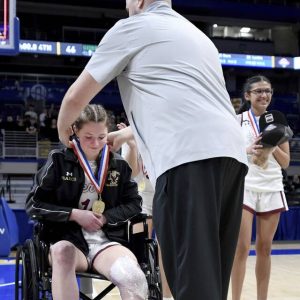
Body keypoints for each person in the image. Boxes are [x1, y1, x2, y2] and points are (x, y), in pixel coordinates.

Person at [57, 1, 248, 299]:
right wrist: (124, 134)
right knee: (213, 277)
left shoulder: (131, 27)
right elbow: (194, 106)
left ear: (140, 0)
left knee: (192, 281)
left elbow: (74, 101)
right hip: (232, 156)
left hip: (186, 157)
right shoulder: (197, 36)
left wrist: (65, 140)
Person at [26, 104, 148, 300]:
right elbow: (34, 204)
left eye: (101, 137)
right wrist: (74, 214)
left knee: (133, 277)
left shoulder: (118, 165)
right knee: (62, 252)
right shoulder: (58, 161)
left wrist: (108, 217)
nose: (95, 144)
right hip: (67, 239)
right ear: (75, 131)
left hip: (107, 242)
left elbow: (134, 204)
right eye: (88, 137)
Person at [231, 75, 290, 300]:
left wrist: (271, 143)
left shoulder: (279, 121)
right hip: (245, 185)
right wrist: (246, 149)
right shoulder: (236, 121)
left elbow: (285, 163)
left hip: (272, 186)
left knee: (265, 248)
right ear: (248, 95)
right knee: (242, 247)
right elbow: (227, 151)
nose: (264, 95)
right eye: (258, 91)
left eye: (268, 91)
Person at [118, 122, 173, 300]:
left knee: (166, 247)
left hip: (165, 193)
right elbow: (130, 172)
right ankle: (140, 291)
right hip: (141, 197)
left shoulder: (164, 130)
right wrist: (133, 147)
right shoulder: (130, 132)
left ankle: (167, 295)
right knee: (140, 246)